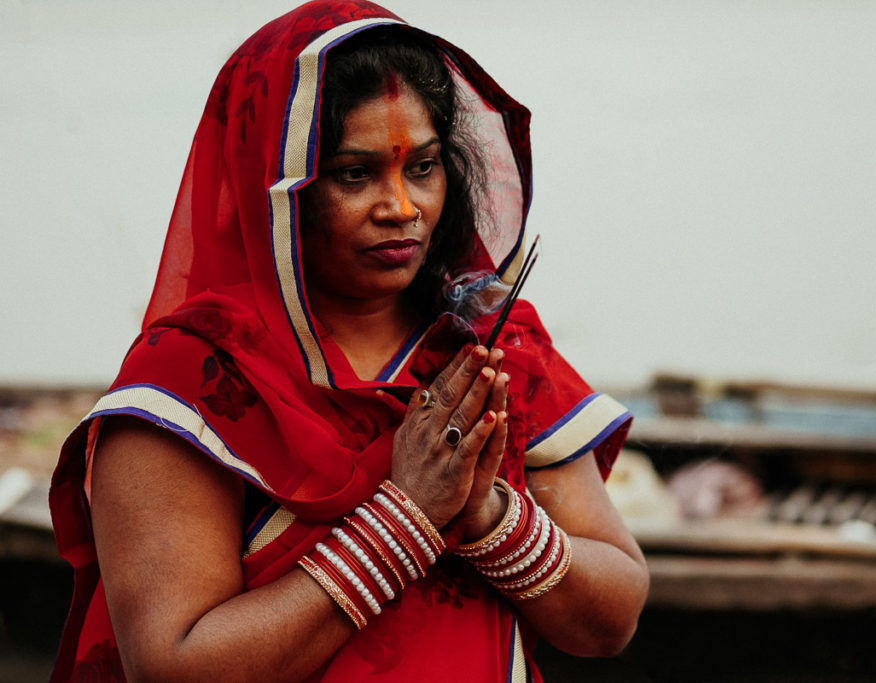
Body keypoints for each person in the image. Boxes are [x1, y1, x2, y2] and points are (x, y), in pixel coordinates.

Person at [49, 2, 648, 681]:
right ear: (275, 188)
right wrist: (408, 517)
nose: (402, 207)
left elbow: (612, 620)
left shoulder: (490, 347)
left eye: (422, 167)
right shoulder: (194, 382)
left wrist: (488, 514)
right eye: (354, 174)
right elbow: (174, 666)